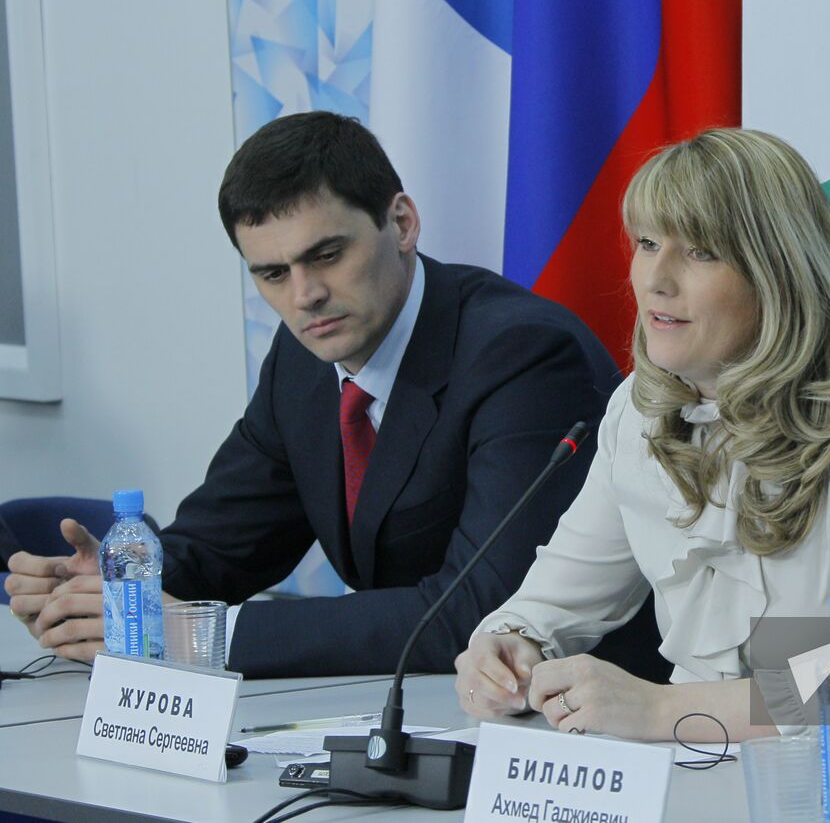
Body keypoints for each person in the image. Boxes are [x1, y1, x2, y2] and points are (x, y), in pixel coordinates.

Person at [4, 111, 661, 678]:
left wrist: (203, 636)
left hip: (588, 724)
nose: (303, 295)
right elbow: (220, 547)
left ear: (402, 222)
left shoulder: (523, 355)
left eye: (325, 255)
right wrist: (116, 591)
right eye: (272, 272)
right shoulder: (304, 356)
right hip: (422, 707)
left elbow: (482, 608)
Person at [453, 127, 830, 742]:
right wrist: (506, 650)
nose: (655, 278)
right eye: (648, 243)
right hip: (696, 772)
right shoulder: (639, 408)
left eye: (700, 252)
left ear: (779, 274)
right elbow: (549, 604)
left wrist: (661, 712)